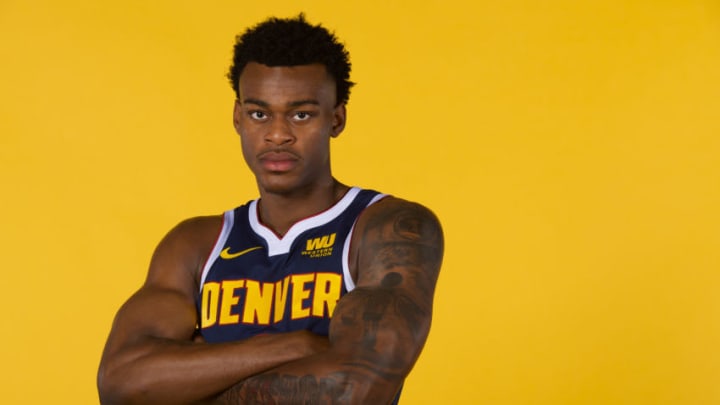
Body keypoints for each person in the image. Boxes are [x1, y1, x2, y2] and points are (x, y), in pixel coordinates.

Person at [97, 14, 443, 404]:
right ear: (237, 117)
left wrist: (189, 379)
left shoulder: (386, 228)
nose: (278, 134)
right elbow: (121, 383)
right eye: (260, 113)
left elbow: (353, 389)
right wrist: (293, 346)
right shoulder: (195, 245)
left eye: (301, 114)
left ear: (337, 118)